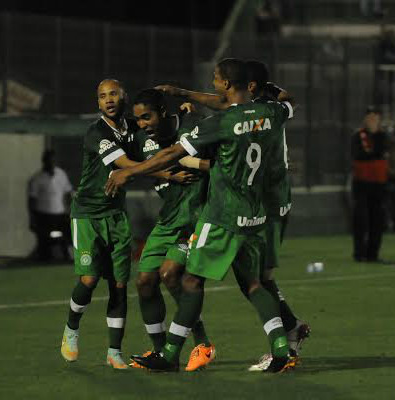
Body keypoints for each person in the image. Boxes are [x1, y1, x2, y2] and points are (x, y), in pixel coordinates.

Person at [107, 58, 297, 373]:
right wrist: (272, 89)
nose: (212, 82)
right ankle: (281, 350)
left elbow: (171, 154)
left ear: (226, 84)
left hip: (223, 216)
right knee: (254, 283)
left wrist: (131, 173)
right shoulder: (272, 113)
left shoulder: (220, 123)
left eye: (215, 78)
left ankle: (170, 355)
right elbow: (288, 102)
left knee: (191, 281)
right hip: (256, 215)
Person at [156, 59, 311, 372]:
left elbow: (225, 109)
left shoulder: (251, 114)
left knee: (255, 279)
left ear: (249, 87)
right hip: (266, 200)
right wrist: (182, 92)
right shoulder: (269, 111)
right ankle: (289, 332)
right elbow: (228, 104)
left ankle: (288, 339)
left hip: (261, 201)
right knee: (255, 279)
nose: (219, 89)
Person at [59, 79, 194, 369]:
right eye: (102, 96)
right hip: (88, 215)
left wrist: (181, 113)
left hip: (117, 214)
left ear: (124, 98)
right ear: (98, 103)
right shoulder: (97, 134)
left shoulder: (133, 128)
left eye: (113, 94)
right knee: (89, 279)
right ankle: (71, 329)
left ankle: (114, 352)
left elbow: (159, 127)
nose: (108, 99)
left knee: (119, 285)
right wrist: (168, 175)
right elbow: (125, 165)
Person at [129, 88, 217, 372]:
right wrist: (164, 173)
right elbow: (131, 163)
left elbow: (219, 155)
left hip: (194, 217)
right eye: (138, 119)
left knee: (169, 274)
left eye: (147, 117)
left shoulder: (192, 127)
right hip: (168, 218)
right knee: (144, 281)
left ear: (163, 113)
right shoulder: (142, 139)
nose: (143, 124)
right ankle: (158, 351)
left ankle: (202, 344)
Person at [351, 106, 389, 262]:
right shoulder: (358, 135)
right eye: (370, 117)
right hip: (362, 182)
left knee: (377, 219)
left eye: (375, 117)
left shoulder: (382, 136)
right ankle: (359, 253)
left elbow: (381, 152)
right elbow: (360, 154)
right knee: (361, 219)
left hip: (378, 182)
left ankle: (373, 253)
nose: (372, 120)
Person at [27, 150, 73, 261]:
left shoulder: (61, 174)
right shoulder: (37, 178)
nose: (51, 162)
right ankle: (43, 257)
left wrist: (70, 210)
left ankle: (68, 255)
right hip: (43, 215)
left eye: (52, 160)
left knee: (69, 234)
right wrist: (32, 218)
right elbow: (32, 200)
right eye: (48, 160)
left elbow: (68, 193)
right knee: (44, 240)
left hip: (60, 214)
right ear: (44, 161)